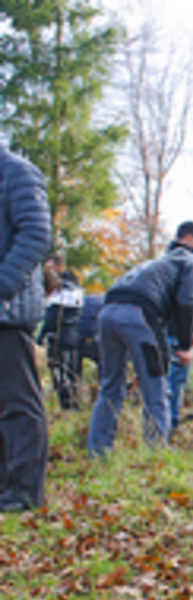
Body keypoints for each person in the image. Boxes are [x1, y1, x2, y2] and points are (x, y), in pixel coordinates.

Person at [88, 221, 193, 456]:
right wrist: (185, 346)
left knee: (110, 386)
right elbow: (186, 302)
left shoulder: (155, 263)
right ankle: (155, 455)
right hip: (139, 314)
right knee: (156, 387)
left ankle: (98, 452)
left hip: (107, 312)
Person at [0, 143, 52, 513]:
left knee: (19, 402)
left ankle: (24, 489)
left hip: (8, 308)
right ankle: (6, 484)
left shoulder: (16, 172)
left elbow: (36, 233)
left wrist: (3, 283)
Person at [38, 255, 86, 410]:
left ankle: (68, 408)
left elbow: (53, 316)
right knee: (73, 372)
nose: (47, 271)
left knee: (60, 374)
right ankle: (75, 406)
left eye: (50, 268)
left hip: (61, 337)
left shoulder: (60, 289)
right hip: (74, 335)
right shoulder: (76, 287)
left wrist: (41, 336)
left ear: (60, 267)